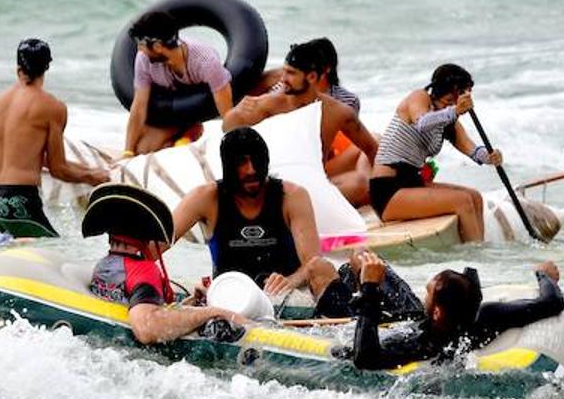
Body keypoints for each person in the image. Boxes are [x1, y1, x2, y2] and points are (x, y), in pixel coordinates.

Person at [172, 127, 348, 315]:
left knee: (322, 267)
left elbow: (312, 262)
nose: (251, 170)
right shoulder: (205, 198)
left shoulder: (292, 196)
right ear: (228, 167)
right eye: (242, 163)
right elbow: (158, 243)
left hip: (284, 296)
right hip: (232, 297)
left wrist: (291, 280)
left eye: (257, 161)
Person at [86, 184, 249, 344]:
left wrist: (192, 302)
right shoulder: (143, 271)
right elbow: (146, 329)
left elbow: (142, 303)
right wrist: (212, 312)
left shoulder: (104, 266)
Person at [349, 251, 564, 371]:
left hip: (403, 318)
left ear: (437, 312)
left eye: (428, 293)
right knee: (361, 257)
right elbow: (552, 302)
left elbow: (364, 359)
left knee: (355, 257)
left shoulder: (421, 345)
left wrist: (370, 289)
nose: (425, 296)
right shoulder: (486, 317)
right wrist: (544, 275)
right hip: (417, 318)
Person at [224, 40, 378, 205]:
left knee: (362, 185)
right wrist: (236, 112)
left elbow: (372, 149)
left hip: (315, 184)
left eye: (291, 73)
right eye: (283, 71)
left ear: (311, 77)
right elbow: (227, 128)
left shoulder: (338, 112)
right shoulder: (268, 104)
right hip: (276, 187)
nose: (283, 79)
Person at [368, 64, 502, 243]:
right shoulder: (419, 97)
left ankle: (478, 247)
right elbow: (422, 123)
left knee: (475, 197)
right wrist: (454, 110)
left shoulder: (449, 120)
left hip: (412, 184)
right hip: (387, 191)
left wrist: (490, 157)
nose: (465, 98)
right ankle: (475, 254)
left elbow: (472, 149)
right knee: (462, 201)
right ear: (450, 91)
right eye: (462, 93)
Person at [0, 38, 108, 237]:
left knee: (23, 247)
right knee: (59, 249)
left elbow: (28, 157)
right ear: (47, 67)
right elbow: (58, 169)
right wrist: (93, 178)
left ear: (18, 68)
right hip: (20, 205)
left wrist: (85, 169)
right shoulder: (52, 107)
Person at [123, 11, 233, 155]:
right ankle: (187, 134)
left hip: (201, 106)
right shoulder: (143, 60)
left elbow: (227, 112)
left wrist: (232, 147)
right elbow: (139, 106)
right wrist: (128, 152)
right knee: (142, 150)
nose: (139, 49)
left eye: (141, 44)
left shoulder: (205, 62)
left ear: (157, 46)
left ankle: (191, 130)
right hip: (172, 110)